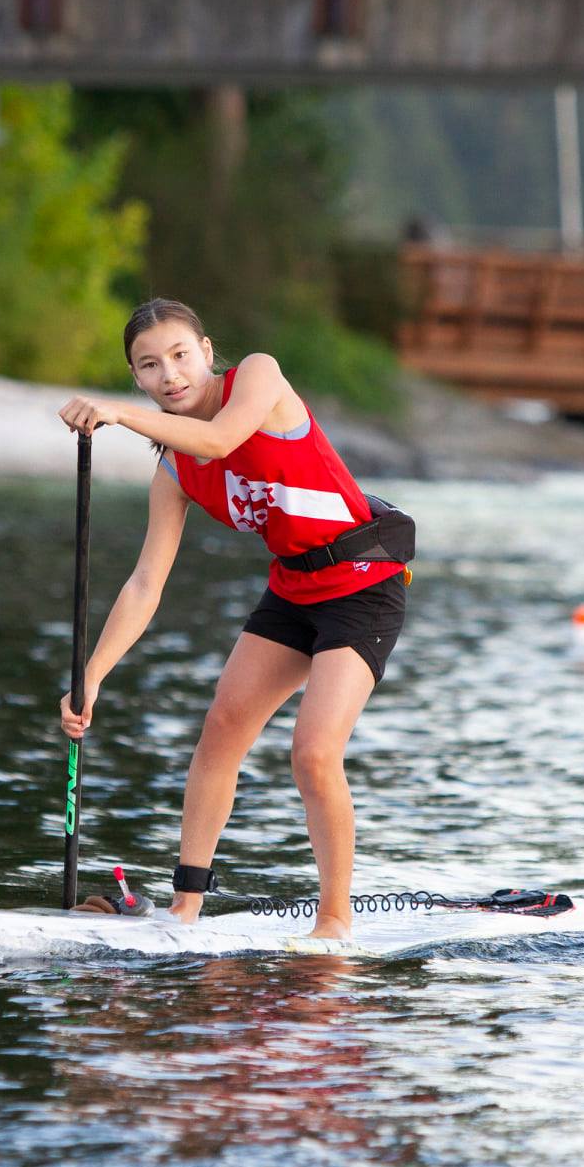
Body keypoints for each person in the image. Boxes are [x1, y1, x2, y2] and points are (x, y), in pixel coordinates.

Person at [55, 298, 413, 941]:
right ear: (136, 376)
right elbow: (144, 584)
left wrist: (118, 415)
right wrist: (93, 677)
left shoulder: (259, 376)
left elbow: (222, 439)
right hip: (294, 589)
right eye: (149, 366)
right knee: (222, 725)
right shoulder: (173, 468)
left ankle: (334, 923)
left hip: (364, 586)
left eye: (180, 355)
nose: (169, 375)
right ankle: (185, 907)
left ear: (207, 350)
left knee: (312, 752)